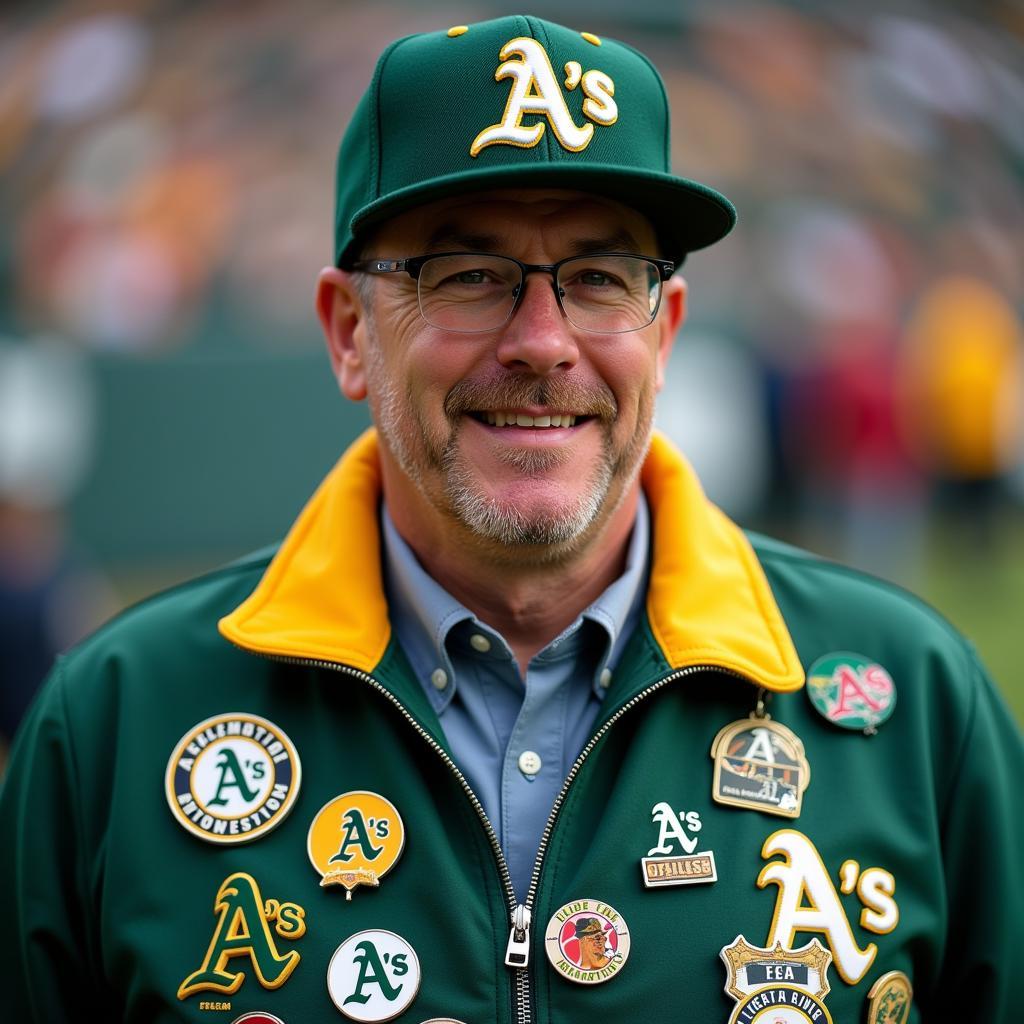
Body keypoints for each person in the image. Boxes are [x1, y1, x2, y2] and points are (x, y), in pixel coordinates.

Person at [1, 14, 1021, 1024]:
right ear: (350, 333)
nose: (543, 341)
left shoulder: (914, 708)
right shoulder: (115, 727)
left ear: (662, 334)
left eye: (598, 277)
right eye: (470, 275)